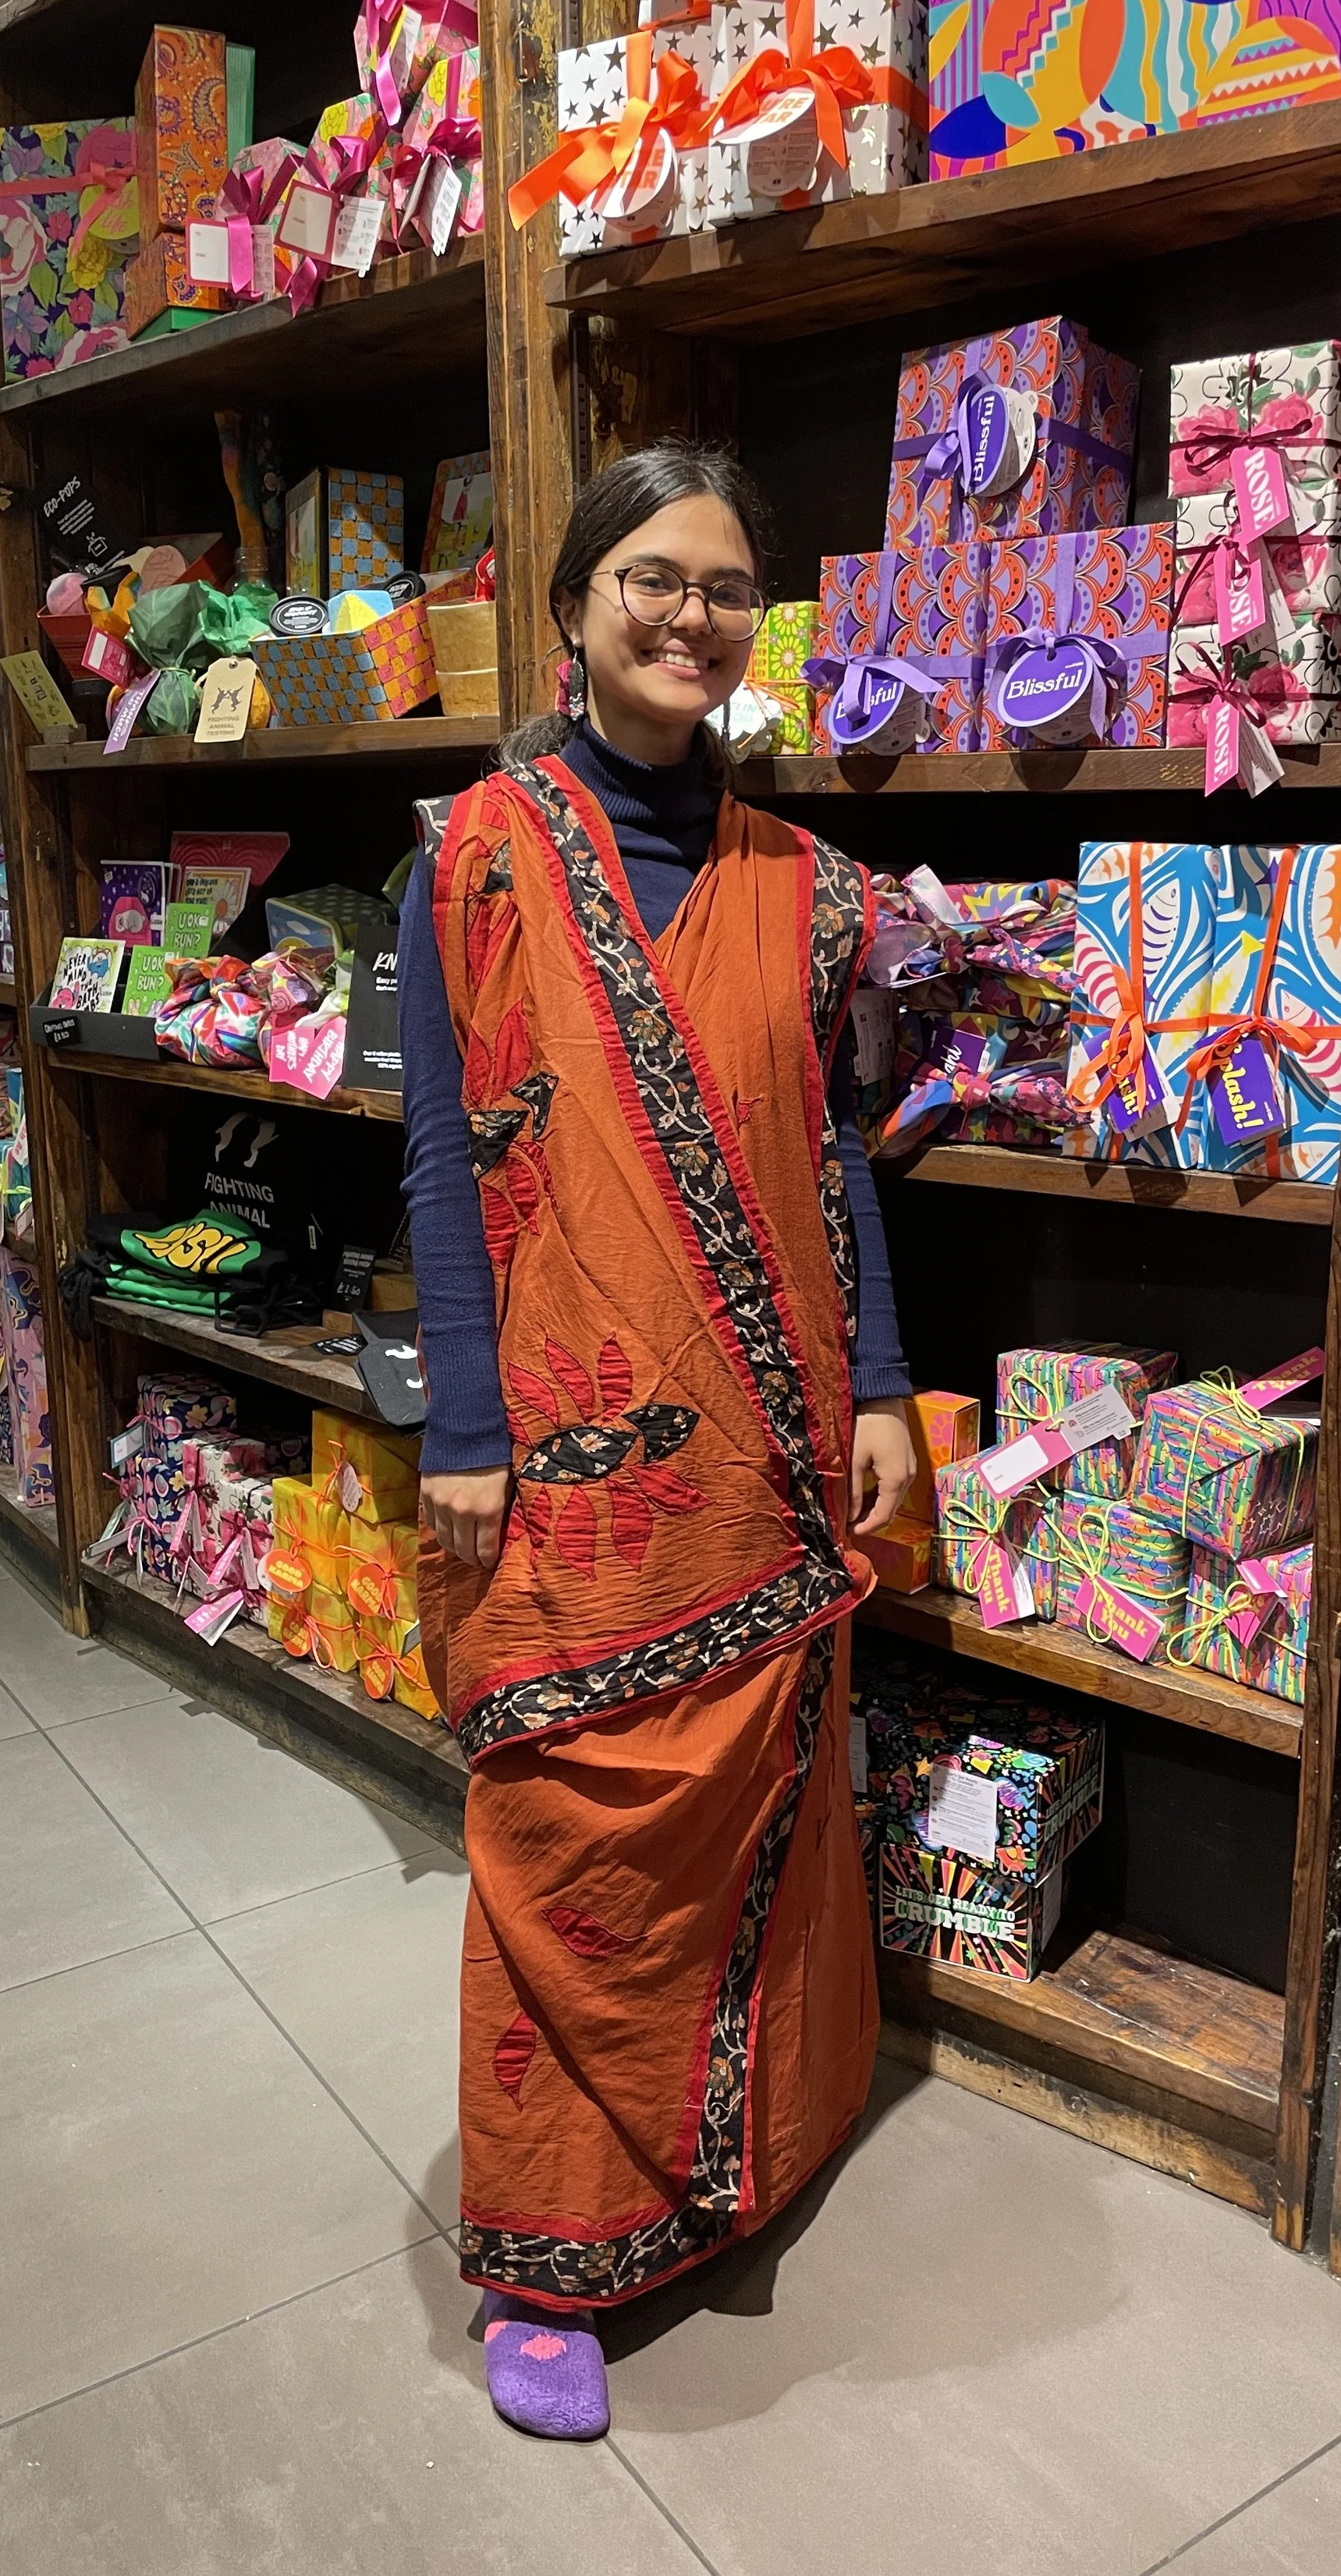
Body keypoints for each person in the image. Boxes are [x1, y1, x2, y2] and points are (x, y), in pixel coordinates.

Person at [400, 442, 917, 2441]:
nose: (689, 616)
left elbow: (835, 1147)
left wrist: (878, 1384)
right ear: (572, 601)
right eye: (650, 578)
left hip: (773, 1432)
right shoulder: (476, 851)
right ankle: (542, 2256)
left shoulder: (802, 881)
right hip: (568, 1444)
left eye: (723, 587)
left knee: (766, 1792)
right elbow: (445, 1153)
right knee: (564, 1823)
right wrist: (462, 1419)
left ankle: (746, 2149)